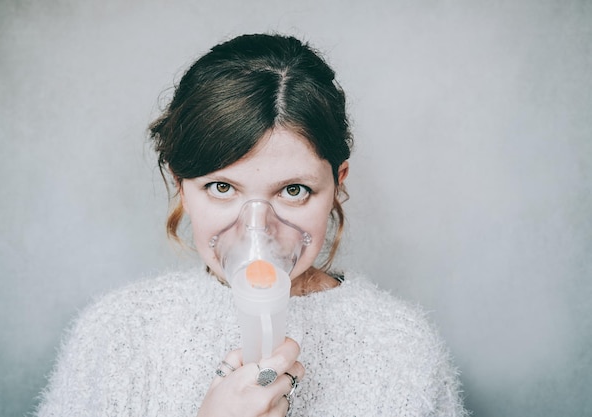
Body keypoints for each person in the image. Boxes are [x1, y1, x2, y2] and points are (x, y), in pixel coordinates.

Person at [36, 33, 467, 417]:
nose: (257, 230)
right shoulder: (117, 334)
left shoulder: (401, 348)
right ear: (180, 185)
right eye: (222, 187)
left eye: (293, 190)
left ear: (337, 184)